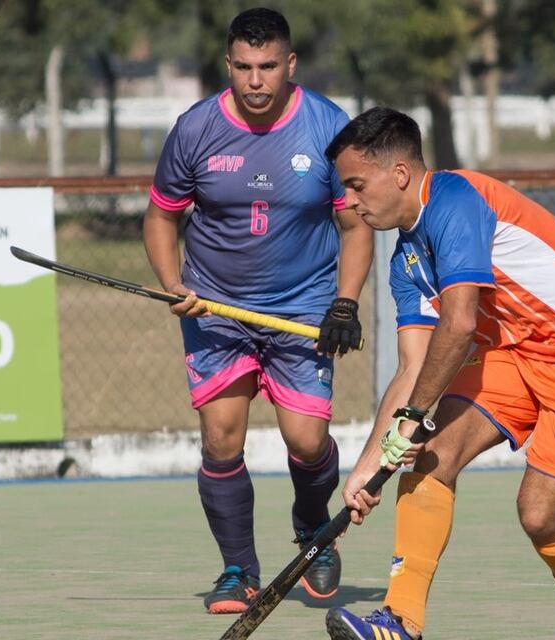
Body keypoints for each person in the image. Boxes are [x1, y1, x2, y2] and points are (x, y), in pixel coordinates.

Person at [321, 107, 555, 640]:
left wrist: (410, 419)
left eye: (356, 185)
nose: (349, 202)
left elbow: (460, 324)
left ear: (398, 173)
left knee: (539, 514)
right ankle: (400, 622)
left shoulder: (455, 201)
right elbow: (412, 366)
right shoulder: (404, 260)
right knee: (431, 456)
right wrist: (367, 465)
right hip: (516, 351)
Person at [144, 7, 373, 614]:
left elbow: (355, 227)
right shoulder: (195, 129)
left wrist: (345, 303)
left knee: (307, 440)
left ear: (289, 64)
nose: (255, 80)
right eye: (243, 67)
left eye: (268, 66)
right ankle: (238, 570)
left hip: (304, 306)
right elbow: (162, 216)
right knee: (221, 437)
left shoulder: (328, 127)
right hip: (215, 307)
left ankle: (313, 526)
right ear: (228, 64)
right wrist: (172, 284)